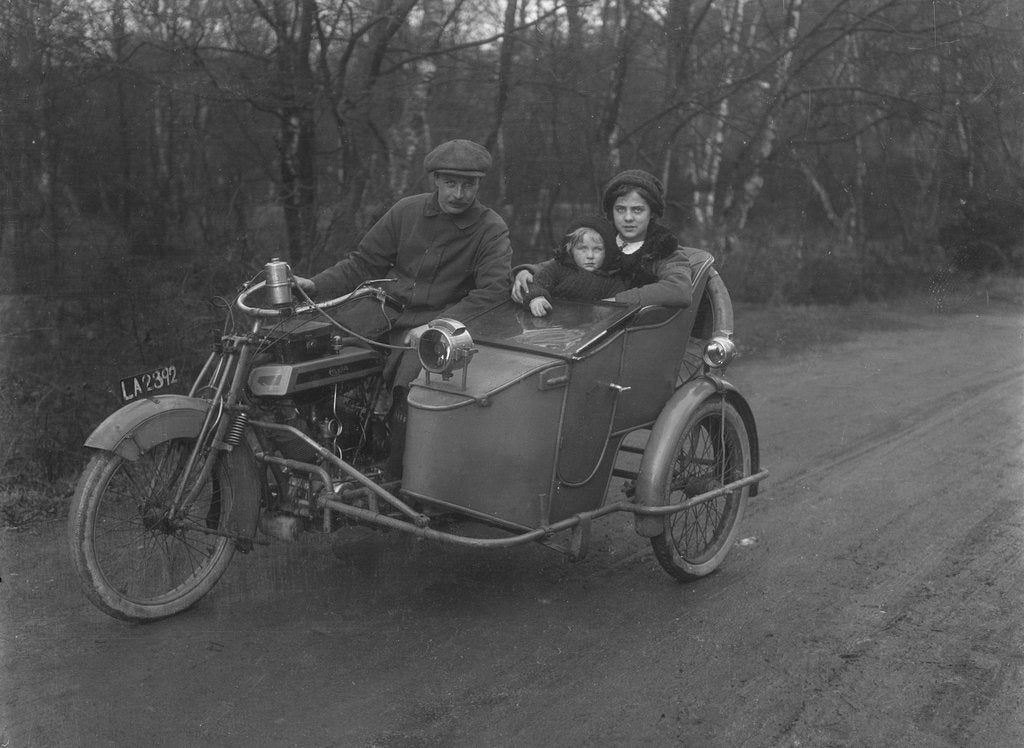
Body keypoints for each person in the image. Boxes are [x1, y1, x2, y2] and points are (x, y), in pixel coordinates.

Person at [294, 138, 512, 475]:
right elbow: (363, 263)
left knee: (413, 384)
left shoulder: (490, 228)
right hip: (381, 311)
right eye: (450, 183)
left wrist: (438, 326)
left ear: (479, 184)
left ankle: (398, 478)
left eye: (468, 185)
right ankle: (318, 451)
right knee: (316, 354)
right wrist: (316, 285)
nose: (458, 194)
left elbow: (493, 291)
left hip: (435, 324)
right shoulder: (406, 211)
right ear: (435, 180)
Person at [512, 169, 708, 309]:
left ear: (652, 213)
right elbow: (565, 262)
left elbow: (679, 290)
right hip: (584, 323)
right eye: (620, 209)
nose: (628, 218)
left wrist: (618, 301)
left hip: (632, 330)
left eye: (637, 210)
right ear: (611, 211)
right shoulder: (603, 238)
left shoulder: (663, 248)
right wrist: (528, 271)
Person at [520, 215, 627, 316]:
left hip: (592, 326)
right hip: (551, 323)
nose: (590, 256)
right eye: (582, 249)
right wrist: (537, 298)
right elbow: (537, 282)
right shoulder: (558, 268)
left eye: (597, 249)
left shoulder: (612, 281)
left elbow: (617, 310)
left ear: (607, 252)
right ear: (570, 249)